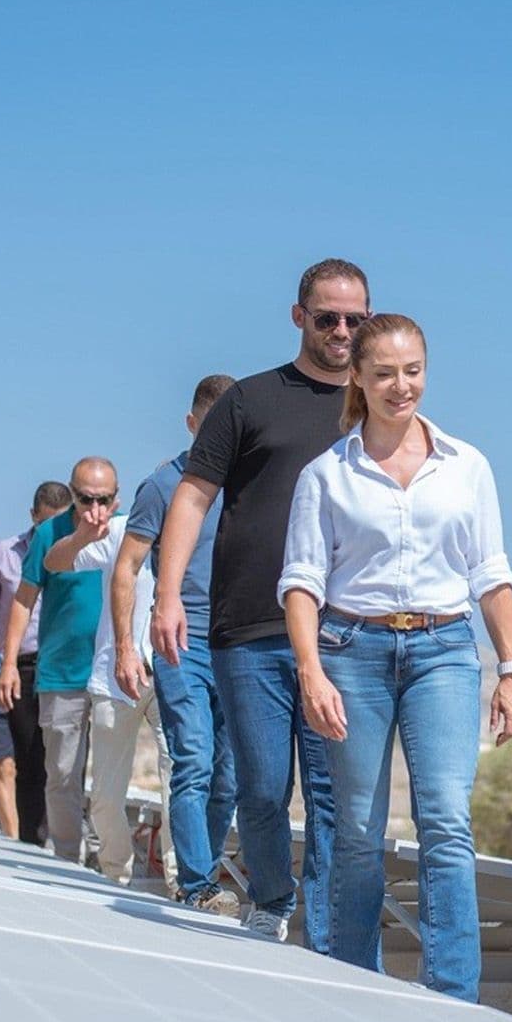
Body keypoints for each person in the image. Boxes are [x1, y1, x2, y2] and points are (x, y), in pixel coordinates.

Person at [280, 314, 512, 1001]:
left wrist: (510, 669)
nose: (400, 385)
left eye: (412, 370)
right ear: (357, 376)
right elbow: (301, 582)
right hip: (350, 651)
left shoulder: (466, 465)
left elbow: (492, 572)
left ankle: (453, 998)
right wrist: (311, 670)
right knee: (357, 830)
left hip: (445, 650)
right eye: (384, 372)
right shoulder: (327, 475)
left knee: (446, 817)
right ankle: (359, 989)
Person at [150, 258, 368, 945]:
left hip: (341, 635)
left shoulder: (376, 411)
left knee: (335, 799)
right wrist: (166, 595)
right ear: (299, 316)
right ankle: (271, 901)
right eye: (328, 317)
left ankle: (327, 931)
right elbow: (193, 495)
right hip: (246, 628)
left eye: (354, 320)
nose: (341, 330)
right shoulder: (248, 400)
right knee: (264, 789)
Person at [108, 375, 239, 911]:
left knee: (229, 776)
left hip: (239, 644)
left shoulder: (252, 485)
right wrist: (124, 647)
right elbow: (126, 568)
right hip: (179, 641)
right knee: (193, 758)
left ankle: (199, 872)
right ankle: (195, 882)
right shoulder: (162, 486)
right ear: (192, 425)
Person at [43, 501, 173, 888]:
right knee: (104, 795)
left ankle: (183, 882)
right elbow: (54, 562)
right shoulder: (119, 531)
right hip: (116, 680)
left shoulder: (198, 531)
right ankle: (117, 873)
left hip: (174, 679)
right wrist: (83, 535)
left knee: (181, 784)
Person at [0, 459, 109, 864]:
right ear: (72, 494)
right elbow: (23, 600)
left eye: (105, 499)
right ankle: (67, 859)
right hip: (62, 671)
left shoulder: (129, 532)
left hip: (112, 672)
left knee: (109, 777)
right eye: (85, 498)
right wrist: (8, 662)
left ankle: (107, 860)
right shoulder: (48, 535)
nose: (95, 507)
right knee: (61, 773)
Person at [0, 481, 72, 842]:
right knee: (17, 763)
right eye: (45, 526)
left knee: (56, 763)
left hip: (62, 666)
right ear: (32, 517)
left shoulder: (81, 554)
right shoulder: (5, 553)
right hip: (18, 667)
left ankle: (54, 842)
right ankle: (23, 842)